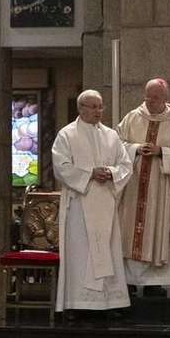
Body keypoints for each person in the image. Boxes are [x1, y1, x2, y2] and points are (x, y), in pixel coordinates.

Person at [51, 90, 132, 315]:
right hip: (80, 204)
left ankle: (107, 302)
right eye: (93, 106)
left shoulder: (111, 136)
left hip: (105, 201)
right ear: (81, 108)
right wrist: (89, 174)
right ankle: (77, 303)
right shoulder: (67, 135)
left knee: (106, 250)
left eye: (100, 107)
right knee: (81, 253)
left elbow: (125, 165)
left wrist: (111, 172)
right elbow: (61, 167)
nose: (98, 111)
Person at [118, 77, 170, 300]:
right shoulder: (132, 118)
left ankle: (154, 283)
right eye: (148, 97)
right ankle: (129, 281)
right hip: (133, 188)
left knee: (157, 231)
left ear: (165, 99)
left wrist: (162, 151)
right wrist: (134, 149)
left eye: (155, 98)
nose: (150, 102)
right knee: (128, 231)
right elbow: (115, 146)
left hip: (160, 190)